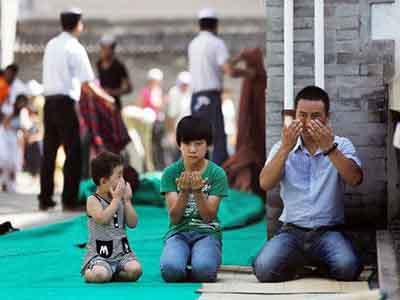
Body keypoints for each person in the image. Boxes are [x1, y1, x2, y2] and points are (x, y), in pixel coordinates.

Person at [253, 86, 364, 282]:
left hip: (328, 231)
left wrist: (329, 148)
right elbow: (265, 183)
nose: (307, 122)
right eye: (302, 115)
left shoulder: (342, 144)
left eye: (315, 116)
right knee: (264, 269)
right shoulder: (283, 146)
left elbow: (355, 179)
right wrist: (286, 148)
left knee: (348, 268)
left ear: (327, 117)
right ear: (295, 116)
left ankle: (307, 265)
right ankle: (307, 266)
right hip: (291, 231)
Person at [39, 8, 115, 211]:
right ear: (78, 24)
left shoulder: (51, 44)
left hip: (49, 101)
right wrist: (108, 99)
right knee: (74, 151)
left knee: (49, 151)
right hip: (65, 102)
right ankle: (69, 198)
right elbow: (87, 84)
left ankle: (45, 197)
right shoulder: (75, 47)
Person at [160, 115, 228, 282]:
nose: (192, 149)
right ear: (179, 144)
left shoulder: (217, 173)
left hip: (207, 233)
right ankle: (184, 259)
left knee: (204, 271)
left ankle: (199, 260)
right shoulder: (170, 173)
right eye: (187, 144)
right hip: (178, 233)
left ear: (208, 145)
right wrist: (184, 192)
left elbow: (208, 217)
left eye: (198, 144)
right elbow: (175, 218)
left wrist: (197, 192)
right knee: (171, 270)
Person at [188, 8, 254, 166]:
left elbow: (216, 64)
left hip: (196, 98)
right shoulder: (217, 43)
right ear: (215, 25)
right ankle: (219, 175)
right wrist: (248, 73)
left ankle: (194, 174)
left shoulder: (193, 44)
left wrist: (238, 58)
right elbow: (228, 70)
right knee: (217, 139)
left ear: (200, 25)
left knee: (196, 138)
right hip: (210, 97)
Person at [81, 151, 142, 283]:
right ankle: (89, 273)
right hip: (100, 255)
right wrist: (116, 200)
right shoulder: (93, 200)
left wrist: (127, 201)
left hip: (122, 254)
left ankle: (115, 274)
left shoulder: (121, 200)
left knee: (136, 270)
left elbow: (132, 223)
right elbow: (102, 218)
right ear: (103, 181)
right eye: (119, 176)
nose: (123, 180)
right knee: (100, 275)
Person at [0, 94, 29, 192]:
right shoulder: (11, 110)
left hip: (14, 139)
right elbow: (5, 124)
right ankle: (4, 182)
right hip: (5, 137)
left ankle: (10, 184)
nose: (22, 104)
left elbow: (25, 130)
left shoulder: (23, 113)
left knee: (14, 162)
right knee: (5, 161)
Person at [97, 35, 132, 111]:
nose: (102, 50)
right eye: (102, 47)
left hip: (114, 104)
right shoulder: (99, 63)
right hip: (101, 103)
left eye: (105, 48)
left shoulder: (119, 66)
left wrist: (112, 92)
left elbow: (128, 88)